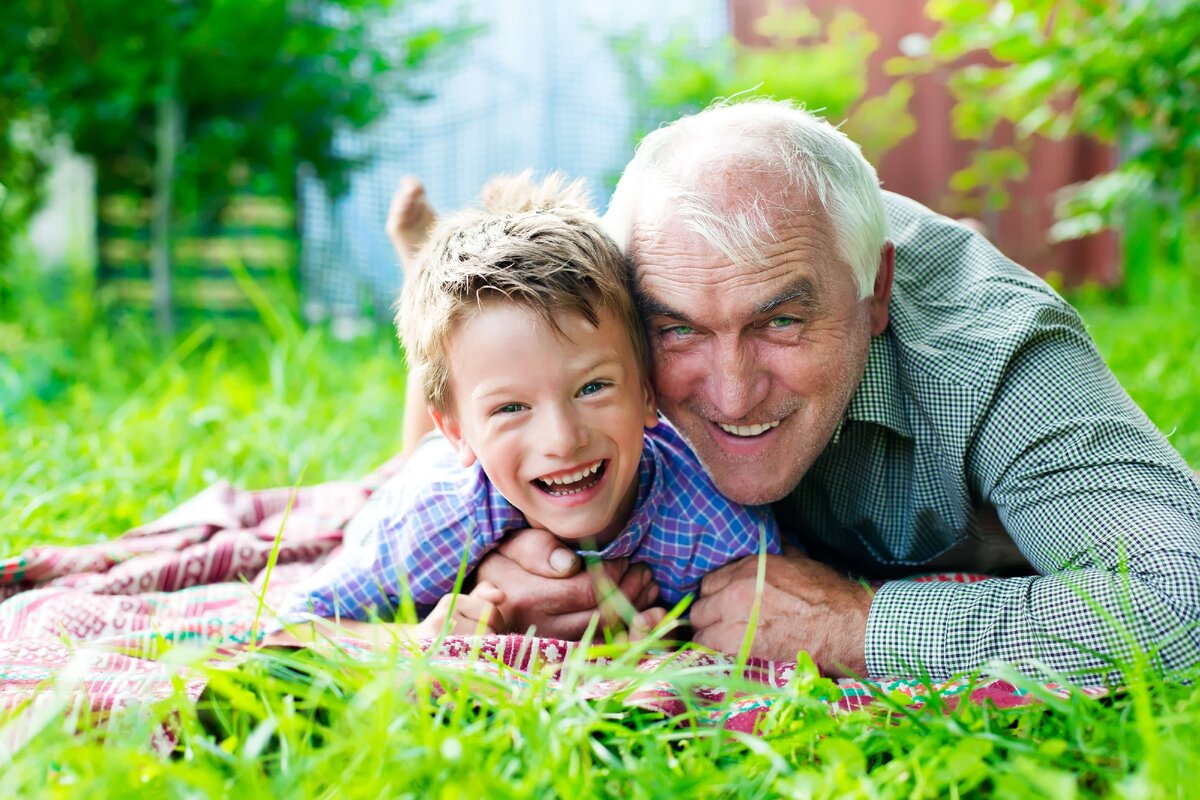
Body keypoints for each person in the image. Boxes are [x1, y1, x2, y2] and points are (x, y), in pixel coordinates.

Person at [398, 100, 1200, 683]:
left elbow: (1182, 600)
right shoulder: (617, 334)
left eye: (780, 321)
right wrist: (524, 564)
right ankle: (425, 254)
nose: (735, 392)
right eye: (677, 329)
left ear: (875, 292)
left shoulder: (994, 360)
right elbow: (488, 413)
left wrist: (861, 627)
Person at [278, 171, 782, 640]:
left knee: (471, 389)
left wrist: (679, 640)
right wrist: (415, 639)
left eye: (592, 388)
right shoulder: (436, 516)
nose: (563, 439)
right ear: (461, 434)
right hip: (442, 478)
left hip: (476, 447)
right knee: (415, 465)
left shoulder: (714, 528)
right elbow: (288, 625)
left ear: (649, 393)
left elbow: (768, 623)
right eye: (512, 408)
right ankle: (421, 268)